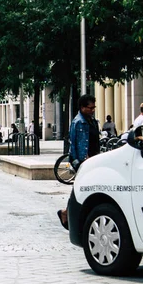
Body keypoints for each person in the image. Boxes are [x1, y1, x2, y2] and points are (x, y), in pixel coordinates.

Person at [57, 94, 100, 229]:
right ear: (82, 107)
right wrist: (77, 162)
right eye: (90, 107)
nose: (92, 110)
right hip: (84, 161)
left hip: (93, 160)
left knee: (86, 189)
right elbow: (73, 145)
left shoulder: (92, 121)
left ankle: (69, 213)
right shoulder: (77, 122)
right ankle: (67, 213)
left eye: (94, 107)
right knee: (81, 189)